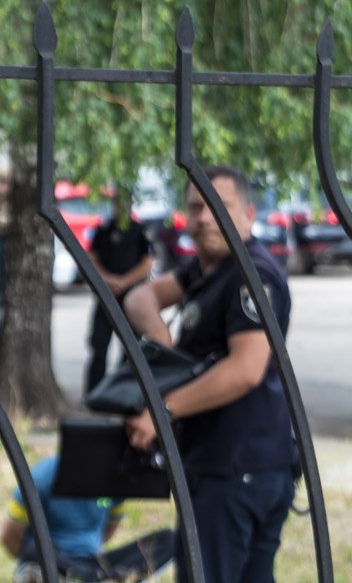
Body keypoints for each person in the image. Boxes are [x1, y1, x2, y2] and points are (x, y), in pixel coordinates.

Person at [123, 165, 293, 583]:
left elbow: (246, 370)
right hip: (236, 464)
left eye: (219, 206)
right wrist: (159, 333)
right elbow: (140, 296)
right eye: (196, 207)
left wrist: (163, 410)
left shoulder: (252, 275)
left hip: (235, 470)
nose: (204, 217)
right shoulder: (208, 270)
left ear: (249, 215)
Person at [0, 455, 174, 582]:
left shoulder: (113, 481)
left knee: (169, 540)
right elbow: (9, 536)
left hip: (93, 563)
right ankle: (89, 577)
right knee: (32, 550)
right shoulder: (43, 477)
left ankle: (95, 577)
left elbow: (109, 529)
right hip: (50, 558)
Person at [84, 189, 154, 392]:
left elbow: (147, 263)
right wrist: (108, 279)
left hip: (131, 298)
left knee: (131, 351)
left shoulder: (140, 230)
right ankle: (94, 392)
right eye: (118, 203)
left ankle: (122, 393)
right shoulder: (103, 229)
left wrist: (124, 281)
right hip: (106, 297)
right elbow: (92, 258)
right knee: (98, 348)